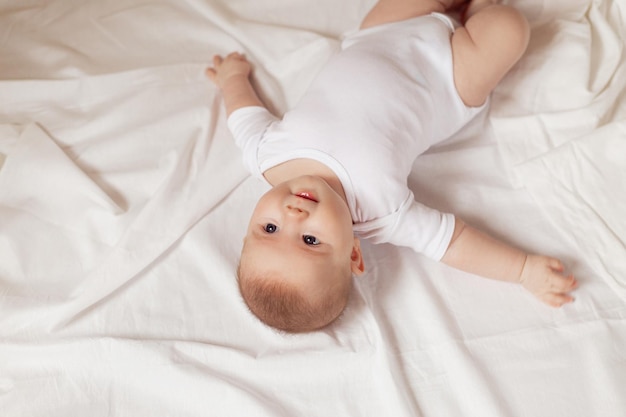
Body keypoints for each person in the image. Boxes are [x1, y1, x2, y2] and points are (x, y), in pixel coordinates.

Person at [206, 0, 578, 333]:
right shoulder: (382, 214)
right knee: (509, 30)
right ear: (353, 252)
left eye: (269, 228)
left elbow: (244, 116)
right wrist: (523, 270)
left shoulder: (264, 156)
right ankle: (481, 10)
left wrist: (232, 79)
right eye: (310, 240)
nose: (294, 214)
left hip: (379, 35)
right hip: (450, 80)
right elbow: (454, 242)